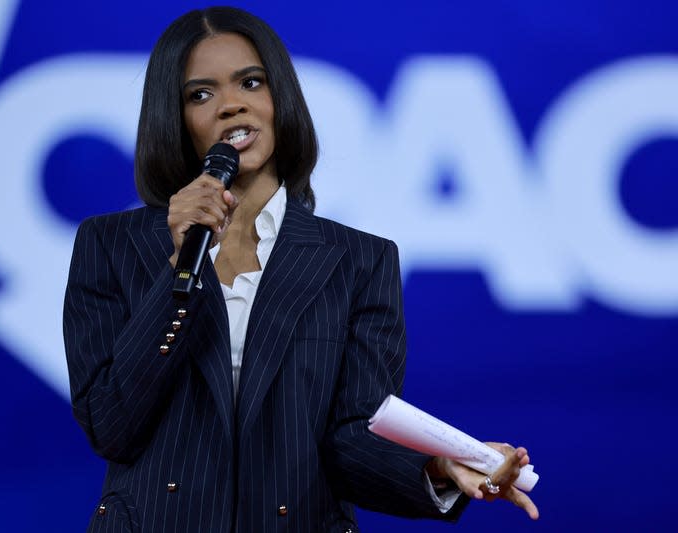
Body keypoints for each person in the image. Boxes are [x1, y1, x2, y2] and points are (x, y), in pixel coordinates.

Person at [63, 6, 538, 532]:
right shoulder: (109, 246)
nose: (231, 105)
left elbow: (349, 438)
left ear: (279, 99)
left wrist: (437, 468)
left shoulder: (359, 260)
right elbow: (111, 426)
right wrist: (180, 268)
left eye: (250, 82)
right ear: (174, 120)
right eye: (201, 94)